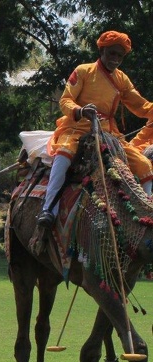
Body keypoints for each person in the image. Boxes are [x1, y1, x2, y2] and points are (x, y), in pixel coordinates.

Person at [37, 30, 153, 228]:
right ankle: (49, 209)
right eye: (111, 54)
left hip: (109, 134)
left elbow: (141, 106)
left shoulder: (122, 79)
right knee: (64, 154)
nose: (115, 59)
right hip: (77, 127)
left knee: (144, 165)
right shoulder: (83, 70)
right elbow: (65, 100)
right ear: (102, 51)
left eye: (119, 56)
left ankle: (148, 213)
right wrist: (80, 111)